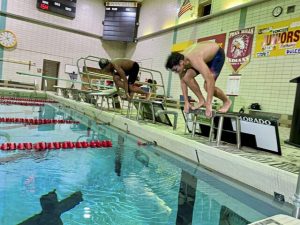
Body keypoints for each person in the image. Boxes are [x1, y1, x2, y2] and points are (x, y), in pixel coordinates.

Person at [165, 42, 231, 117]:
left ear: (181, 62)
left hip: (216, 55)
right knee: (186, 77)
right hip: (203, 57)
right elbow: (183, 83)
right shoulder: (181, 62)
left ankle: (226, 101)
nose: (176, 72)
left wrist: (209, 104)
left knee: (207, 86)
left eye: (175, 70)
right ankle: (202, 100)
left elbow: (210, 80)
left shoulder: (194, 59)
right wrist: (186, 102)